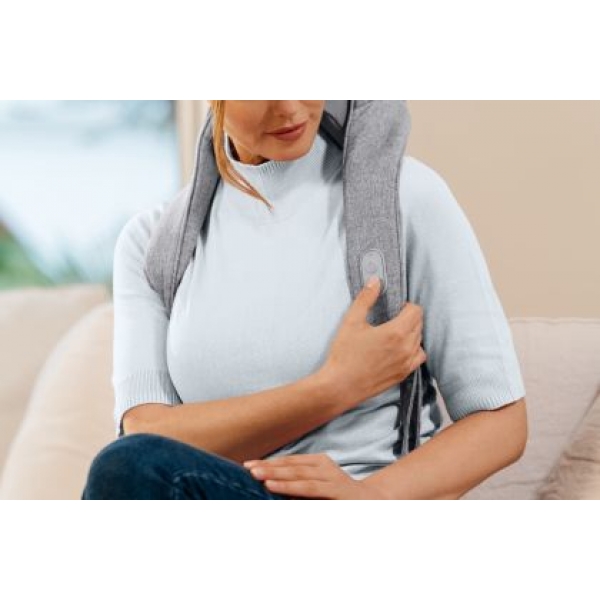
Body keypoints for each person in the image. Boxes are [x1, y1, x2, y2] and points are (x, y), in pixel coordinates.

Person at [81, 101, 527, 500]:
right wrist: (333, 387)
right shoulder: (153, 244)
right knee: (128, 467)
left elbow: (502, 422)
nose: (291, 108)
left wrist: (373, 497)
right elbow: (145, 431)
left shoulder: (405, 196)